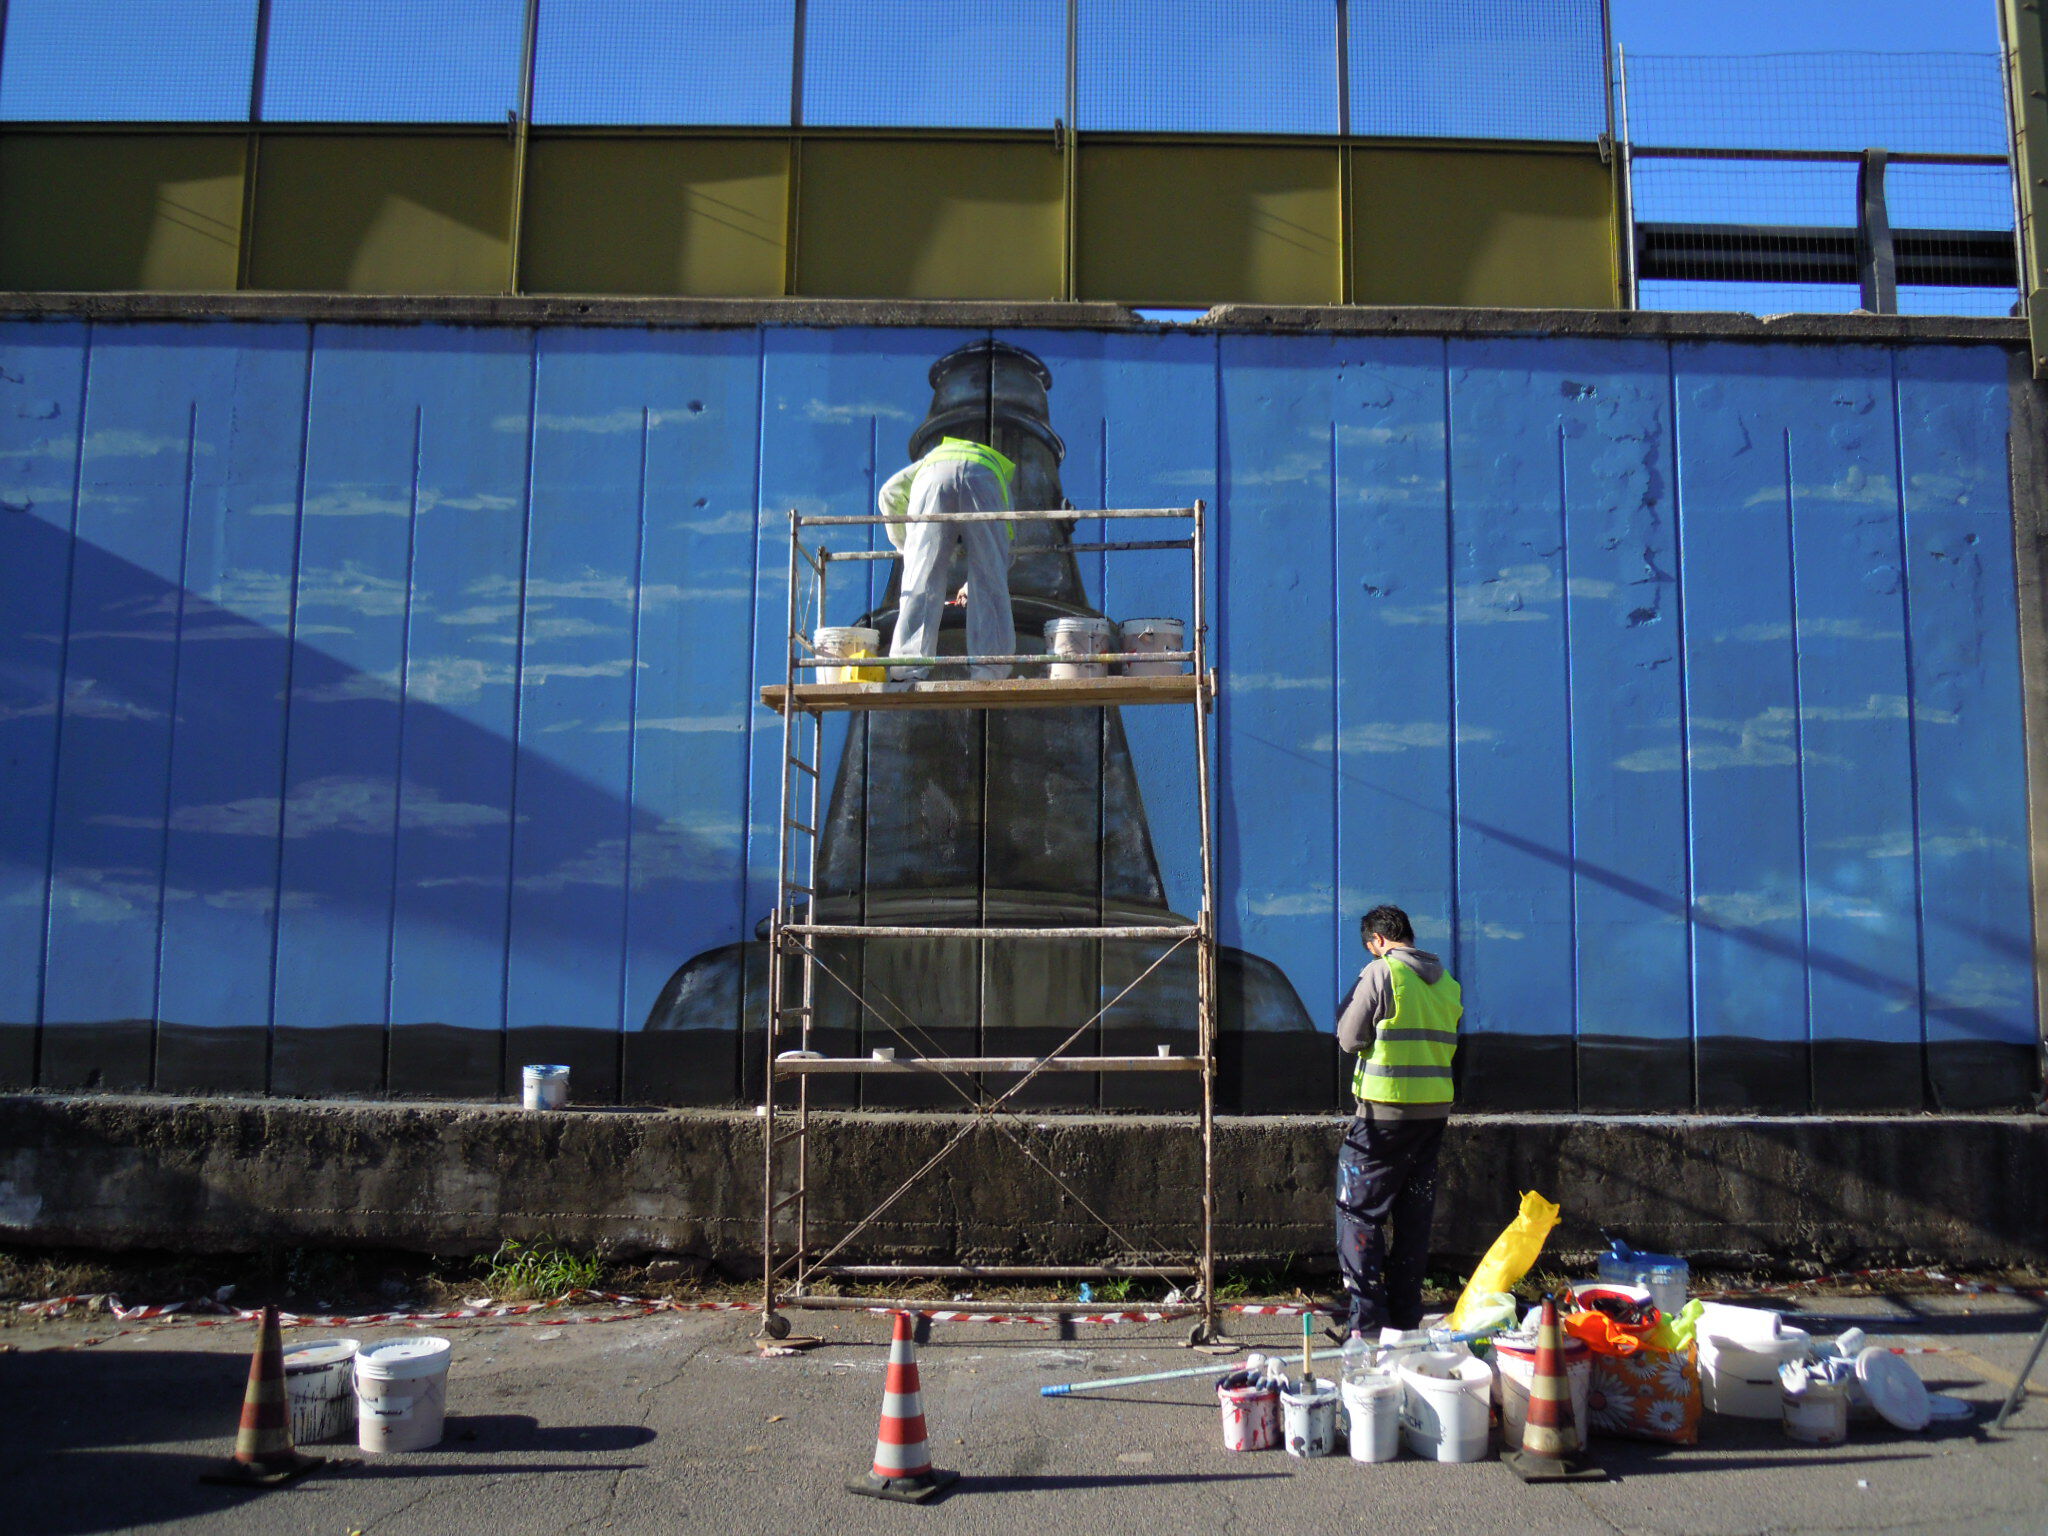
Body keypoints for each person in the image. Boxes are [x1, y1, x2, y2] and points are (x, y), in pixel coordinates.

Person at [1333, 903, 1463, 1339]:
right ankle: (1405, 1319)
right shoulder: (1446, 982)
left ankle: (1366, 1325)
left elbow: (1349, 1039)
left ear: (1378, 941)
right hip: (1432, 1118)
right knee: (1413, 1217)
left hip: (1383, 1116)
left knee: (1359, 1213)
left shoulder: (1382, 971)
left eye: (1372, 949)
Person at [877, 436, 1017, 682]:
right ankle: (990, 670)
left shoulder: (927, 461)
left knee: (920, 579)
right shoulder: (997, 469)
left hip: (933, 478)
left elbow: (889, 493)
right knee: (990, 578)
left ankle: (908, 668)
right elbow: (1004, 546)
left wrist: (906, 546)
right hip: (982, 478)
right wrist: (972, 584)